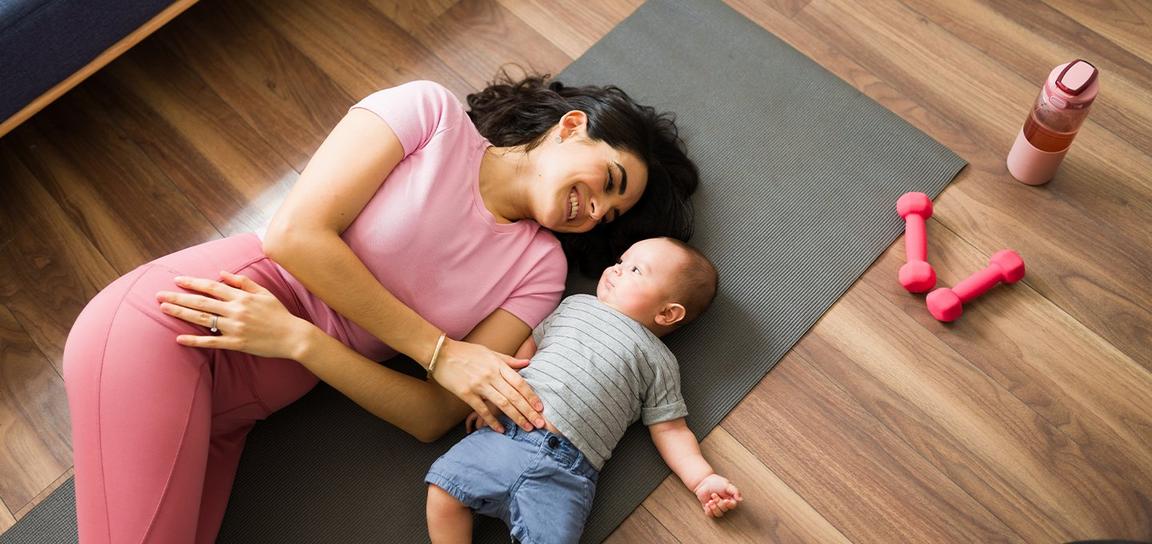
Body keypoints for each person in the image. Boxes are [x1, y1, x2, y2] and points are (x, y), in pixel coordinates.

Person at [61, 73, 699, 544]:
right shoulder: (429, 115)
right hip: (180, 321)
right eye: (606, 182)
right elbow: (293, 236)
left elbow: (431, 415)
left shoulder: (540, 271)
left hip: (235, 413)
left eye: (608, 216)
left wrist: (303, 344)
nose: (593, 211)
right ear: (571, 127)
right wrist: (439, 351)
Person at [424, 237, 741, 544]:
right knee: (444, 490)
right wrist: (497, 396)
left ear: (667, 313)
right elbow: (528, 351)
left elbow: (671, 428)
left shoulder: (659, 361)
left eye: (635, 270)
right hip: (507, 432)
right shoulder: (574, 305)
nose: (617, 268)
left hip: (567, 474)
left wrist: (702, 478)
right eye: (620, 261)